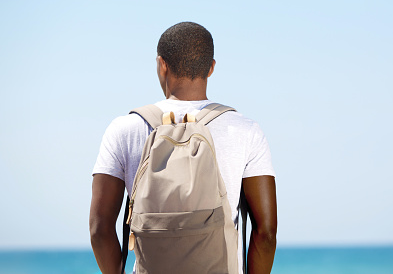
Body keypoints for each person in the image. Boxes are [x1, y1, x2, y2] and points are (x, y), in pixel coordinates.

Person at [89, 21, 277, 274]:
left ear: (161, 64)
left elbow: (99, 229)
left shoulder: (124, 128)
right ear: (210, 68)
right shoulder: (245, 130)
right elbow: (265, 232)